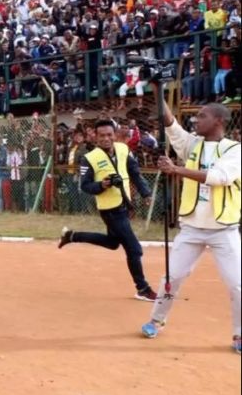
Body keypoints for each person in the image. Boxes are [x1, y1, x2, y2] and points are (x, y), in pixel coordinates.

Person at [140, 102, 241, 355]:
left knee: (238, 285)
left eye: (201, 116)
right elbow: (170, 124)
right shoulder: (193, 144)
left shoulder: (235, 150)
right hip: (192, 227)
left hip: (223, 229)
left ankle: (239, 334)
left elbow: (220, 178)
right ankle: (156, 320)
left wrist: (176, 169)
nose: (196, 120)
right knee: (172, 277)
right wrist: (156, 86)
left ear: (219, 121)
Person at [59, 120, 156, 301]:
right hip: (110, 210)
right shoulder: (89, 158)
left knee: (112, 243)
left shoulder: (123, 149)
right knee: (134, 249)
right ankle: (142, 288)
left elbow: (135, 172)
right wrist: (102, 185)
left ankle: (72, 236)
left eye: (109, 135)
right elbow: (86, 186)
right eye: (101, 135)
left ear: (115, 134)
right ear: (95, 137)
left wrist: (146, 193)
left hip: (124, 206)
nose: (106, 139)